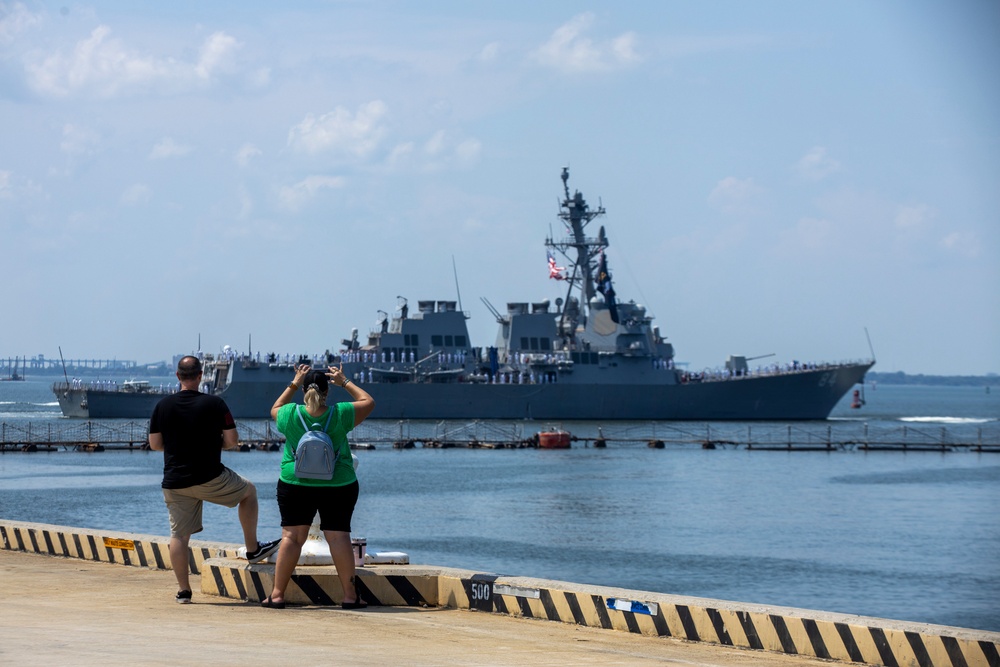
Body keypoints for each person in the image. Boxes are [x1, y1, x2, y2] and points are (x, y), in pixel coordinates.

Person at [148, 355, 282, 604]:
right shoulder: (216, 404)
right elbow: (232, 441)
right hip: (209, 476)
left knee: (178, 536)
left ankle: (184, 591)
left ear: (177, 376)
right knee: (249, 492)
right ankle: (253, 549)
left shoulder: (162, 406)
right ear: (201, 376)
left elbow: (155, 444)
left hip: (175, 482)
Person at [261, 363, 375, 609]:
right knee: (338, 536)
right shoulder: (341, 413)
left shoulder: (289, 413)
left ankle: (277, 595)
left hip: (295, 482)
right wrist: (343, 381)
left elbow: (275, 408)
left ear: (304, 391)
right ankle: (349, 596)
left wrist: (294, 382)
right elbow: (368, 401)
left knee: (292, 537)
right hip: (338, 482)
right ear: (327, 392)